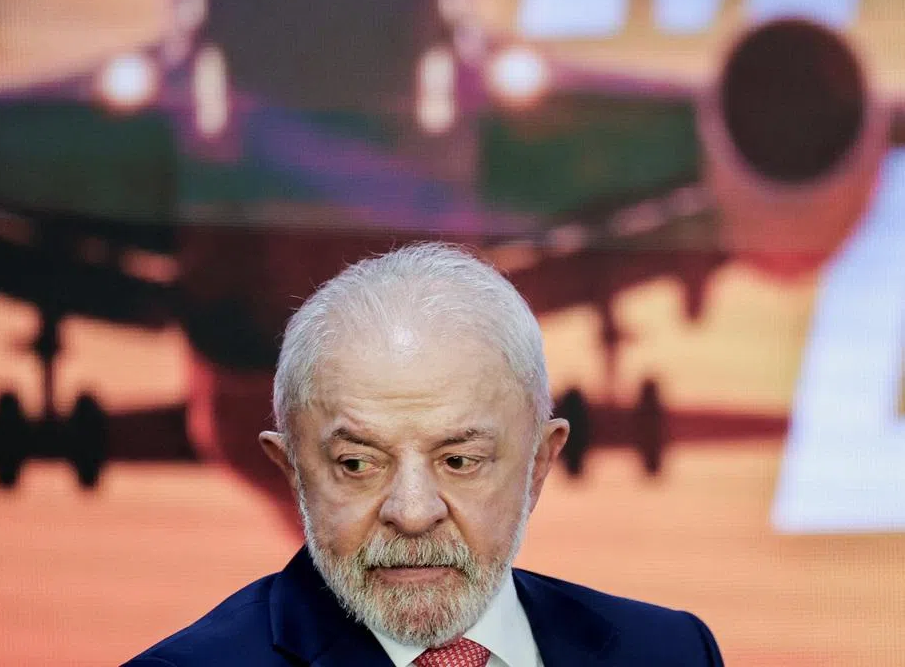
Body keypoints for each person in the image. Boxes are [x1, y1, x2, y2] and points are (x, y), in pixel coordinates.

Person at [125, 243, 723, 666]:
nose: (412, 514)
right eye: (358, 464)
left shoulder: (674, 652)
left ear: (541, 463)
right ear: (292, 471)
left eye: (459, 461)